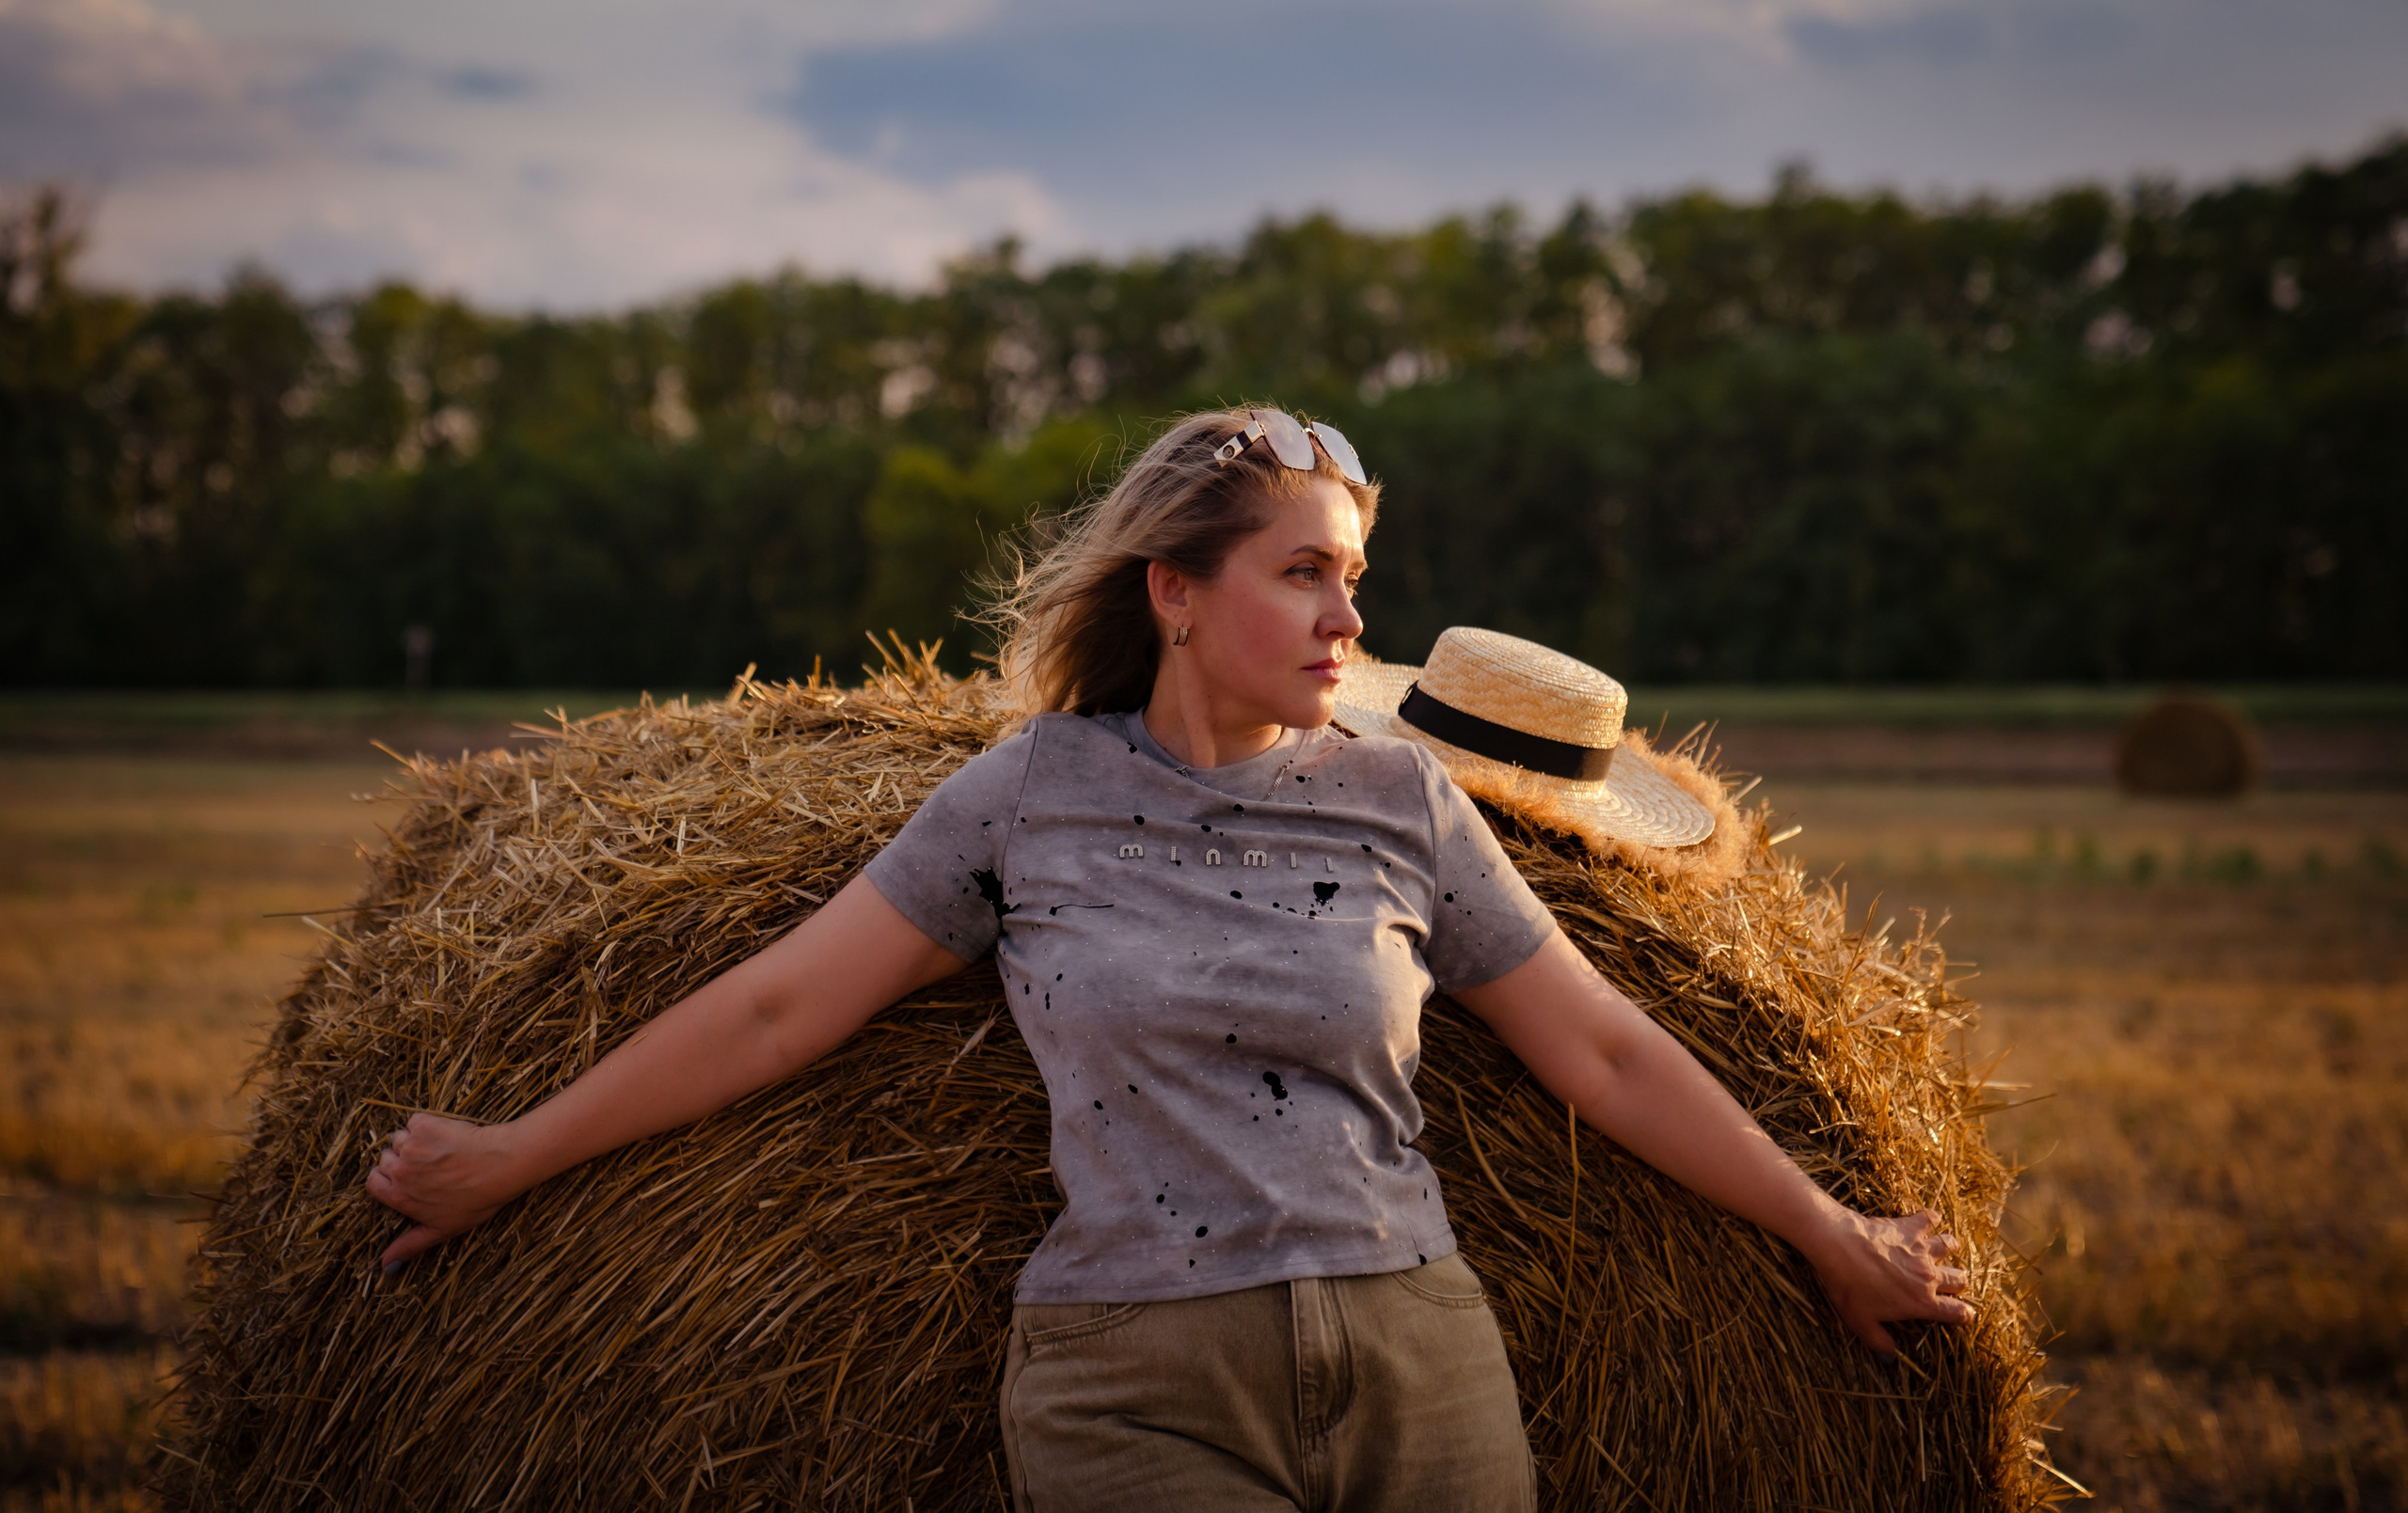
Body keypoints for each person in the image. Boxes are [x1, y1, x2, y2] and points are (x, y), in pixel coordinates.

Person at [367, 407, 1971, 1511]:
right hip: (1136, 1382)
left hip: (1419, 1358)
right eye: (1305, 571)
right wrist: (515, 1154)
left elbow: (1604, 1048)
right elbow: (782, 1005)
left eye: (1355, 577)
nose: (1348, 617)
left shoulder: (1400, 797)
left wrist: (1827, 1229)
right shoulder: (1028, 796)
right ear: (1177, 593)